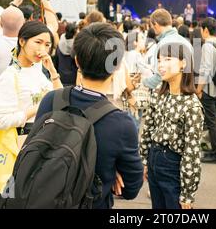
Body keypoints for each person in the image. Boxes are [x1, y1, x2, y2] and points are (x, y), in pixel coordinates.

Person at [36, 23, 144, 208]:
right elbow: (130, 188)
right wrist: (109, 175)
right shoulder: (122, 124)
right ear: (116, 66)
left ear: (77, 61)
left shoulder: (51, 100)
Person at [140, 42, 204, 209]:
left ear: (183, 63)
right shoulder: (158, 94)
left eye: (167, 59)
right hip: (154, 158)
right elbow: (147, 129)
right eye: (159, 60)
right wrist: (145, 160)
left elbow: (191, 152)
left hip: (173, 164)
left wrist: (188, 194)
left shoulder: (192, 105)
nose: (161, 65)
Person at [0, 21, 62, 157]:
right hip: (22, 146)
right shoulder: (10, 76)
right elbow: (1, 120)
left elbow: (60, 98)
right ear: (22, 41)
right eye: (38, 42)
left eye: (47, 45)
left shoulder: (38, 68)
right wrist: (40, 107)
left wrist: (53, 72)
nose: (42, 49)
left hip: (44, 140)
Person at [142, 9, 193, 90]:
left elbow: (159, 76)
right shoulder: (187, 43)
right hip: (185, 90)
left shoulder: (163, 44)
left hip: (168, 93)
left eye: (152, 26)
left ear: (155, 24)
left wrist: (143, 82)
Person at [197, 17, 216, 163]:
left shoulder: (207, 45)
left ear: (205, 30)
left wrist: (199, 88)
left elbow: (206, 69)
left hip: (208, 89)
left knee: (211, 121)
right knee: (214, 120)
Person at [0, 5, 25, 97]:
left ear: (1, 24)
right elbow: (53, 25)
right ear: (23, 23)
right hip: (22, 96)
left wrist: (14, 3)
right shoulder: (29, 43)